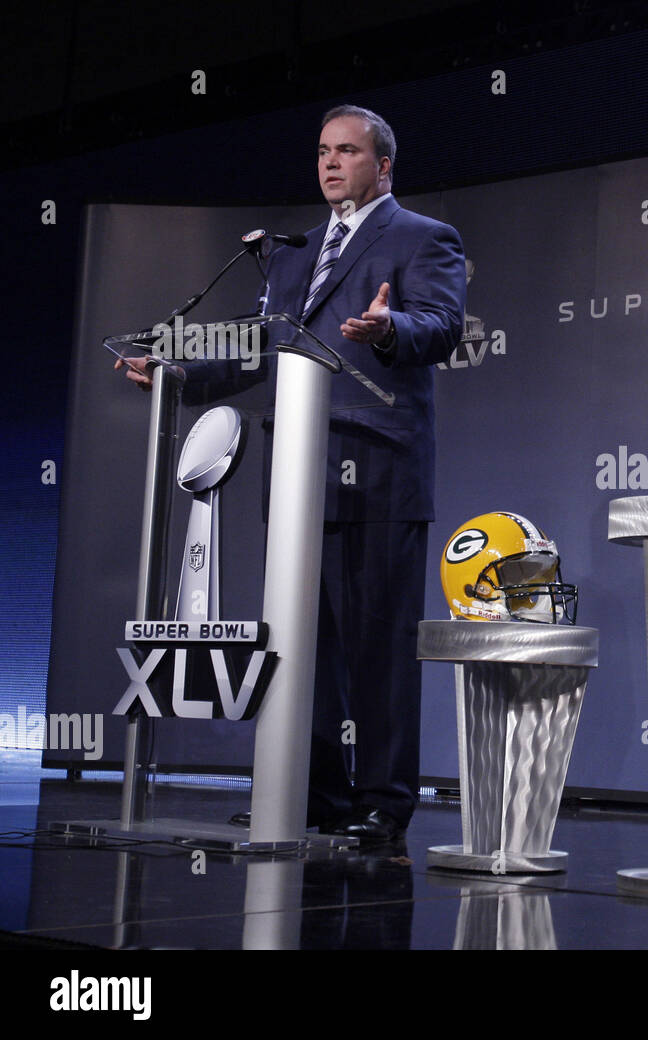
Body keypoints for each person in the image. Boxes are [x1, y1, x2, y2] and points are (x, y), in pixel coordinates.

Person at [118, 105, 466, 843]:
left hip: (377, 468)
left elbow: (442, 326)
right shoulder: (293, 252)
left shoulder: (422, 237)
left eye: (348, 151)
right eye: (322, 152)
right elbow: (257, 351)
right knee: (302, 644)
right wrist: (178, 373)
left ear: (384, 166)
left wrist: (390, 327)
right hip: (299, 470)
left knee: (379, 649)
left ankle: (382, 799)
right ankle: (311, 792)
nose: (331, 163)